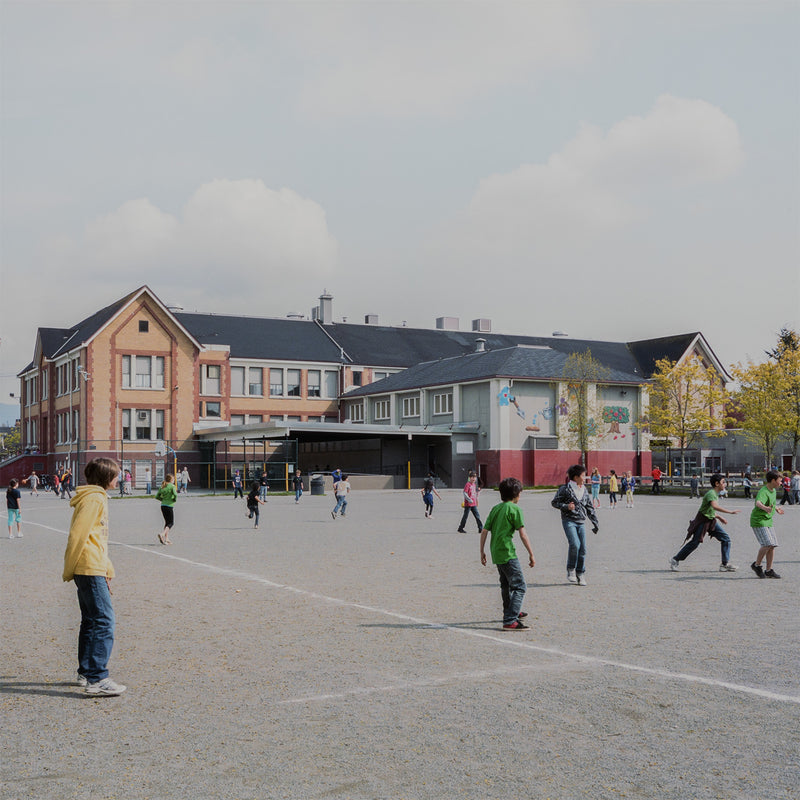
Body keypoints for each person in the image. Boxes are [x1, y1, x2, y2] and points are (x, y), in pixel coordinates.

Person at [62, 457, 126, 696]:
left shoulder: (95, 496)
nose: (118, 479)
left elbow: (97, 539)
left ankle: (86, 672)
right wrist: (71, 567)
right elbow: (78, 534)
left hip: (91, 565)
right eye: (116, 475)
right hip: (87, 566)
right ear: (106, 478)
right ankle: (97, 678)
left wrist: (106, 568)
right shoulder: (94, 498)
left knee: (90, 620)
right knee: (104, 620)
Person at [479, 477, 535, 630]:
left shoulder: (495, 508)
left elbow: (484, 531)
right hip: (508, 553)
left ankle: (510, 611)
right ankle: (510, 620)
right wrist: (531, 554)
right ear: (516, 494)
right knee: (520, 586)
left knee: (506, 585)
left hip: (496, 553)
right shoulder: (515, 509)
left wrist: (482, 551)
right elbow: (523, 534)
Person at [669, 474, 739, 572]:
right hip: (703, 521)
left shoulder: (715, 494)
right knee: (695, 543)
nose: (725, 484)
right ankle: (675, 559)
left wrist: (719, 517)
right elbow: (714, 506)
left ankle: (724, 564)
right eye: (723, 482)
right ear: (716, 483)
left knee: (726, 539)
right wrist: (730, 512)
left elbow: (710, 510)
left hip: (710, 520)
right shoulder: (711, 493)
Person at [551, 465, 599, 586]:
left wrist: (595, 522)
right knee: (575, 544)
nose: (585, 478)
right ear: (576, 477)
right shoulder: (565, 489)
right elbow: (555, 502)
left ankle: (580, 573)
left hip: (581, 521)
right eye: (583, 475)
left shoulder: (584, 490)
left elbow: (589, 507)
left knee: (583, 549)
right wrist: (566, 507)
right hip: (569, 521)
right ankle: (571, 569)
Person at [750, 470, 784, 579]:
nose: (781, 483)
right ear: (773, 480)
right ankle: (756, 565)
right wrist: (765, 508)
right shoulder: (763, 491)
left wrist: (776, 508)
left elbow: (771, 504)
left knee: (772, 545)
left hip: (768, 520)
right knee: (767, 543)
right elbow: (758, 503)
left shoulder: (773, 490)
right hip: (759, 521)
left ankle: (769, 570)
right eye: (780, 481)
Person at [155, 474, 178, 545]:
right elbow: (175, 494)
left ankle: (166, 539)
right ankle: (162, 534)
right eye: (173, 479)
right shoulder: (172, 486)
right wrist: (174, 499)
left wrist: (162, 499)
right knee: (171, 523)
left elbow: (157, 496)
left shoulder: (162, 486)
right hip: (169, 506)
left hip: (163, 506)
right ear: (171, 480)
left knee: (167, 522)